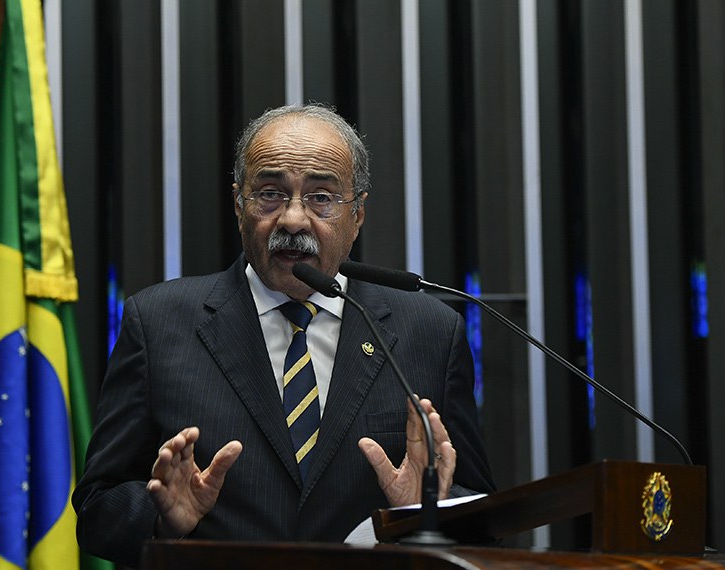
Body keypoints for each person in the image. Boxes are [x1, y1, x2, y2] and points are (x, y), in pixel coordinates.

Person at [72, 103, 494, 567]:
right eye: (270, 194)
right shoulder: (157, 322)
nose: (293, 220)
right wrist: (163, 519)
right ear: (239, 205)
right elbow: (97, 509)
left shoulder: (431, 331)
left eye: (321, 197)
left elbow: (482, 516)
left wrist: (424, 512)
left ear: (357, 214)